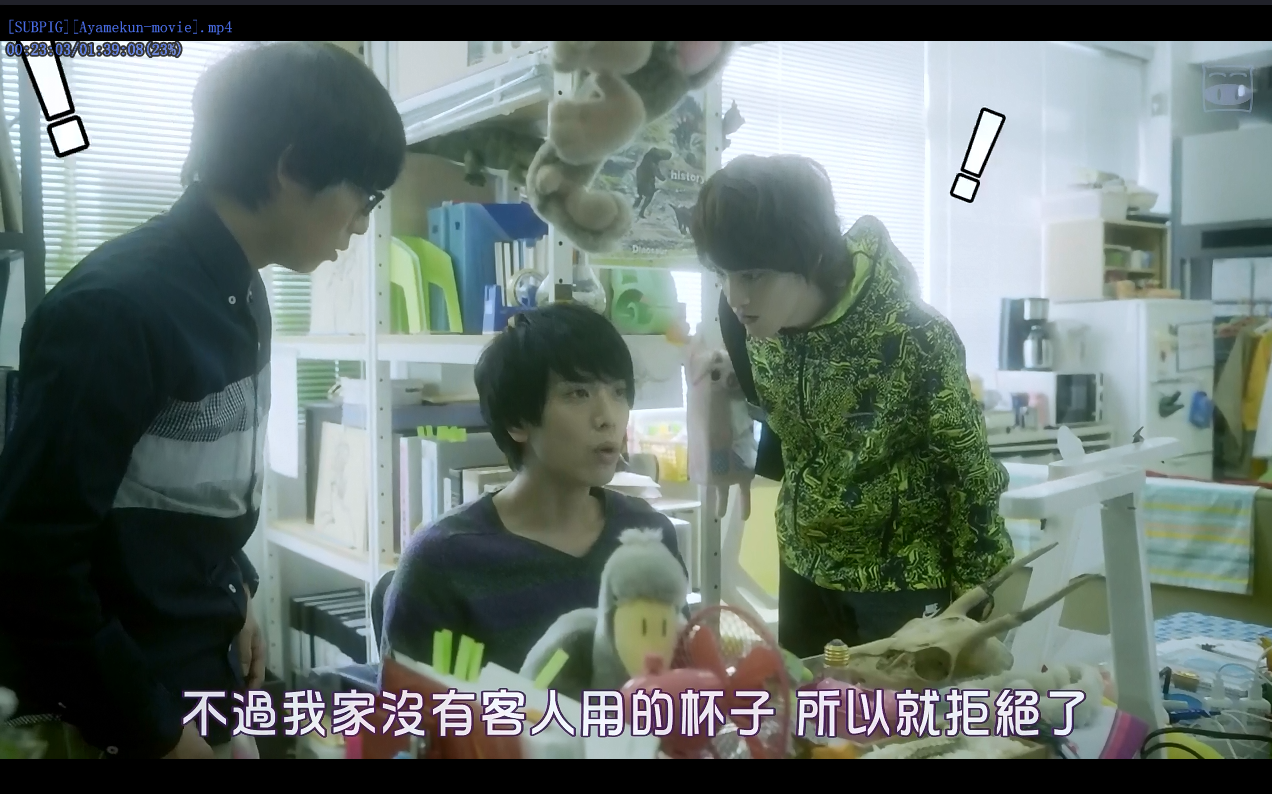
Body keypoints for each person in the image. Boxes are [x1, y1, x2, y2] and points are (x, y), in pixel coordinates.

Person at [0, 42, 406, 759]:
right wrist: (158, 733)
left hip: (203, 678)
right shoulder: (115, 311)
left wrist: (236, 589)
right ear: (291, 167)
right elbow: (33, 567)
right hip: (117, 711)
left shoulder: (243, 292)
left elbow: (190, 497)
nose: (363, 224)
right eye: (365, 196)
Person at [690, 154, 1014, 659]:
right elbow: (778, 423)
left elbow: (968, 471)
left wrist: (975, 598)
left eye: (752, 275)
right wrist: (724, 436)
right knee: (812, 705)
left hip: (899, 577)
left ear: (812, 257)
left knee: (899, 709)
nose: (735, 296)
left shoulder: (914, 335)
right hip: (804, 562)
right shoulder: (744, 322)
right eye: (723, 274)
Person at [383, 302, 687, 674]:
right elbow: (406, 708)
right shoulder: (443, 562)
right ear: (517, 421)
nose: (608, 417)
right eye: (578, 394)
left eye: (619, 392)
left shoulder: (646, 537)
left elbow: (681, 679)